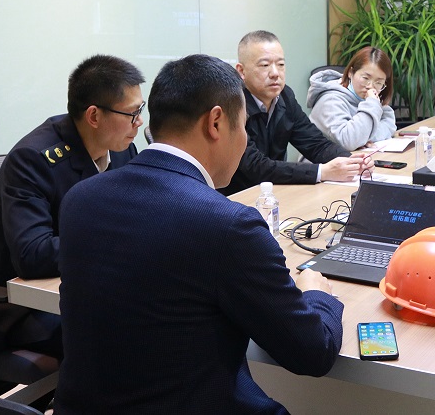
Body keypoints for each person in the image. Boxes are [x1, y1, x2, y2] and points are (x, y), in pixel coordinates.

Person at [54, 54, 344, 415]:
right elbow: (313, 352)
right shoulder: (228, 225)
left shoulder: (80, 199)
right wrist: (318, 295)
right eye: (244, 127)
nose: (245, 140)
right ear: (216, 122)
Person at [0, 54, 146, 357]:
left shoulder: (121, 148)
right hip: (16, 310)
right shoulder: (33, 160)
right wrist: (112, 242)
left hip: (86, 284)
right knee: (128, 331)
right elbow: (32, 255)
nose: (139, 121)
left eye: (140, 110)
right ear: (94, 116)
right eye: (131, 113)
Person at [219, 30, 371, 195]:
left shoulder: (285, 96)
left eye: (281, 64)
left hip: (274, 192)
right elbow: (255, 166)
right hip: (236, 197)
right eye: (264, 65)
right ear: (241, 71)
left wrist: (351, 161)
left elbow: (315, 143)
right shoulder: (232, 104)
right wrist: (321, 172)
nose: (275, 73)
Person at [306, 46, 397, 151]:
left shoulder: (370, 98)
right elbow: (348, 141)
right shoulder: (330, 100)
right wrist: (371, 104)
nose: (371, 86)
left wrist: (362, 137)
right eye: (365, 78)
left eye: (379, 82)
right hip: (323, 160)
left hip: (355, 158)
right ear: (350, 72)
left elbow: (389, 124)